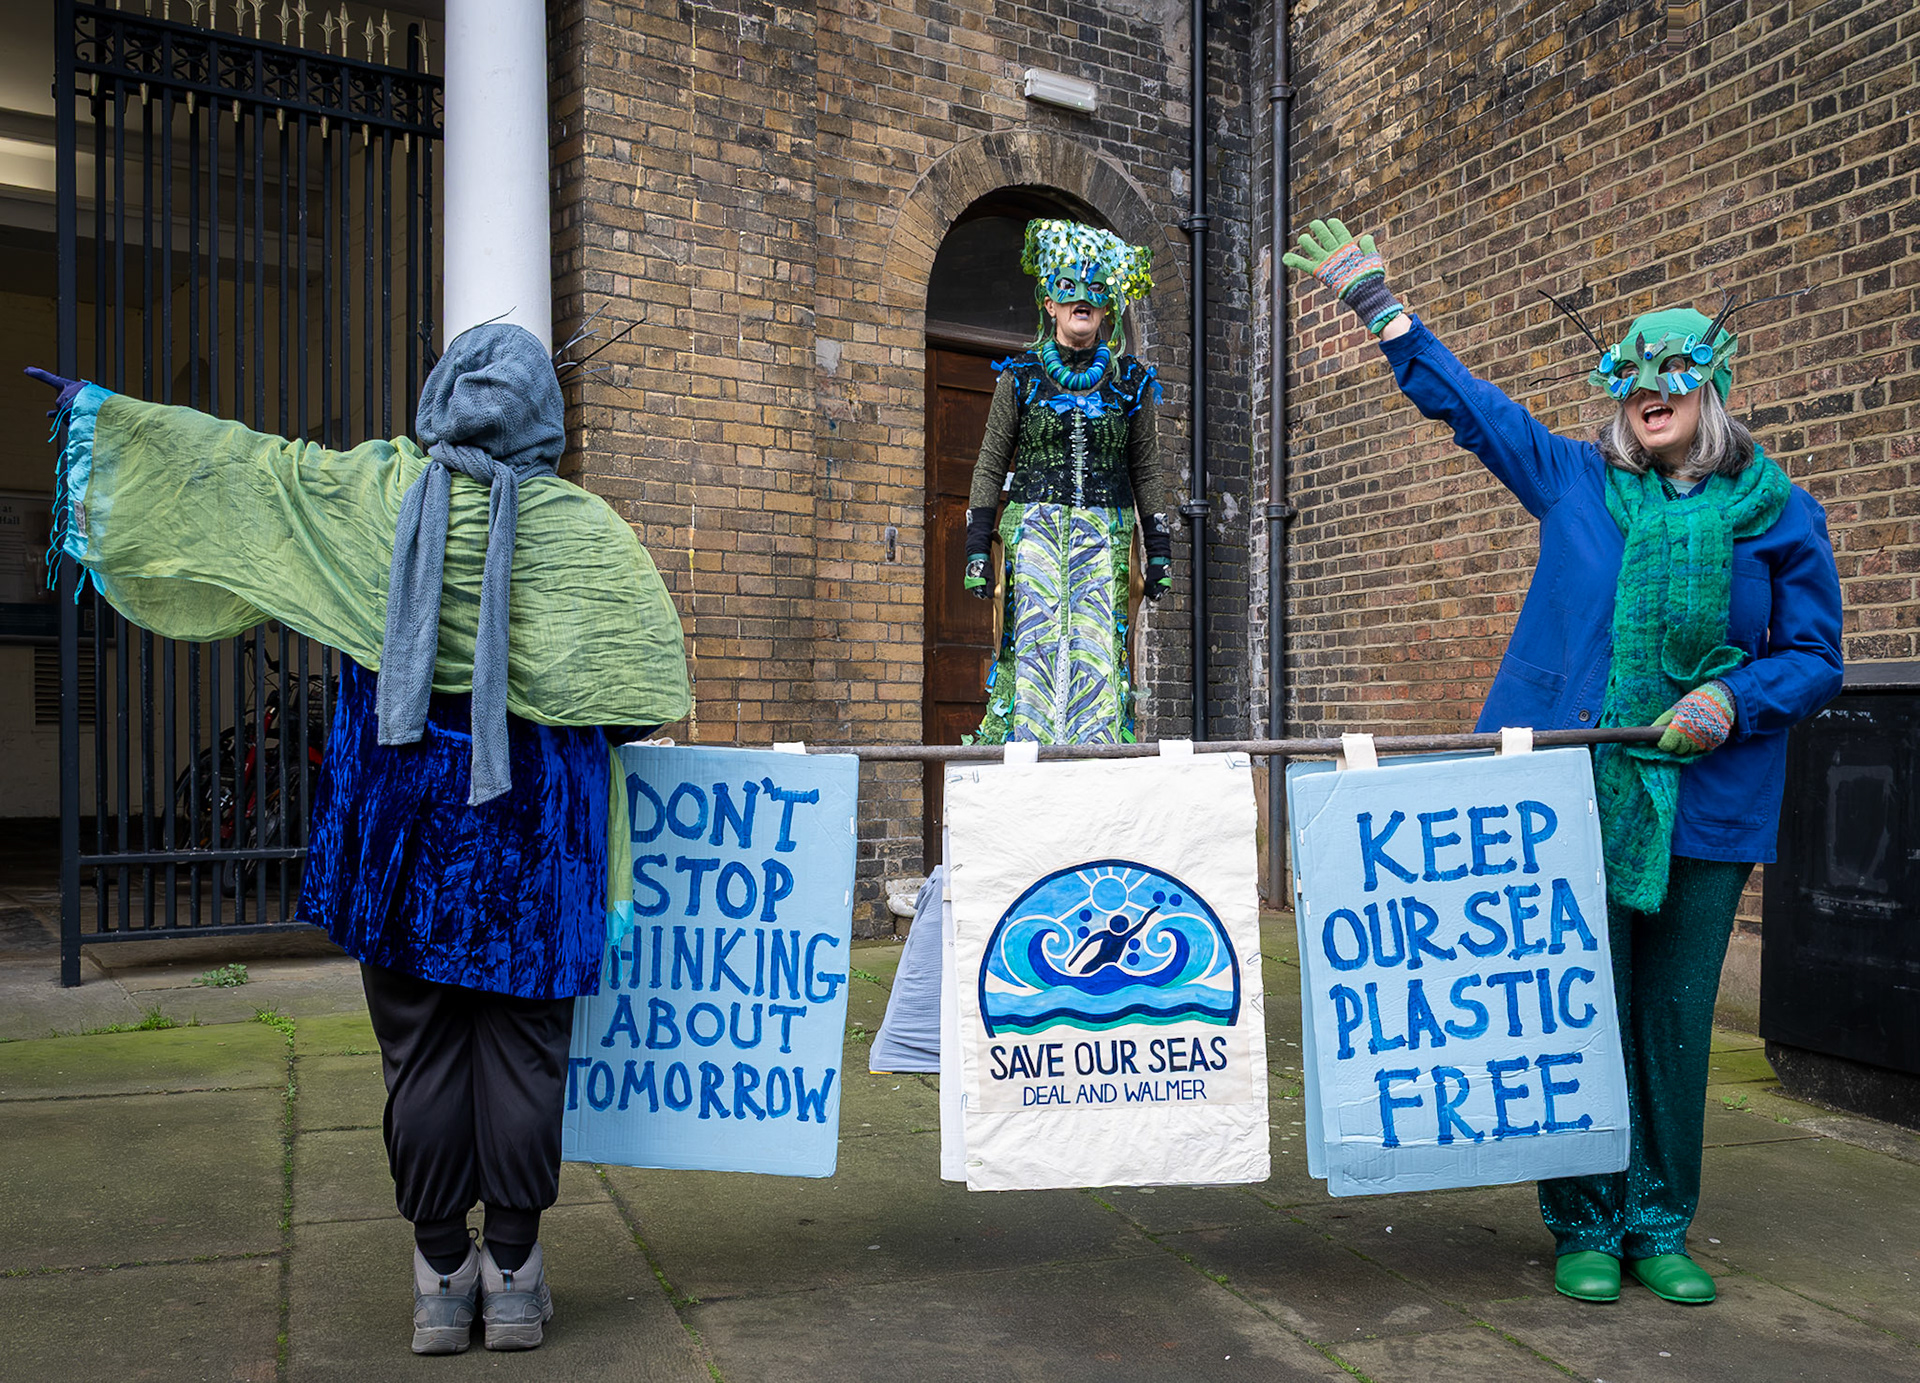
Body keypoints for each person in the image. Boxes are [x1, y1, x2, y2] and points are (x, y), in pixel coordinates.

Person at [32, 323, 689, 1353]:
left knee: (420, 1051)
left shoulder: (363, 496)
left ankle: (439, 1277)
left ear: (440, 398)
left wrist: (103, 422)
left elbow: (240, 472)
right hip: (536, 839)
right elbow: (643, 692)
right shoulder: (588, 533)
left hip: (401, 837)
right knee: (524, 1052)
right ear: (542, 423)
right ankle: (511, 1276)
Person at [1283, 218, 1844, 1306]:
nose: (1649, 387)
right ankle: (1583, 1218)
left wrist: (1735, 697)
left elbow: (1817, 658)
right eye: (1631, 372)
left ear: (1711, 388)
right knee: (1574, 1006)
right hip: (1569, 789)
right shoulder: (1576, 482)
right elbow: (1473, 412)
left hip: (1708, 801)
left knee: (1676, 1020)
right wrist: (1378, 305)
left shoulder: (1783, 516)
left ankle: (1658, 1220)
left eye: (1672, 370)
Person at [963, 218, 1168, 745]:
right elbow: (990, 462)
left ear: (1107, 308)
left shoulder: (1132, 382)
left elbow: (1145, 467)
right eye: (1069, 287)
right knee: (1032, 654)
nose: (1083, 298)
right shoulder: (1021, 376)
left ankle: (1094, 782)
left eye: (1096, 289)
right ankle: (1027, 776)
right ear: (1049, 303)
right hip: (1032, 532)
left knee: (1098, 657)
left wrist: (1161, 547)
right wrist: (976, 546)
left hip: (1107, 536)